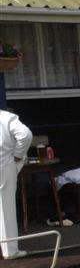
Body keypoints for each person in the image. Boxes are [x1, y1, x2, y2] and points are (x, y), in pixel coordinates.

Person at [0, 108, 32, 259]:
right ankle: (10, 250)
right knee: (6, 209)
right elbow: (25, 135)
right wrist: (18, 155)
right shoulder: (6, 117)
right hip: (4, 165)